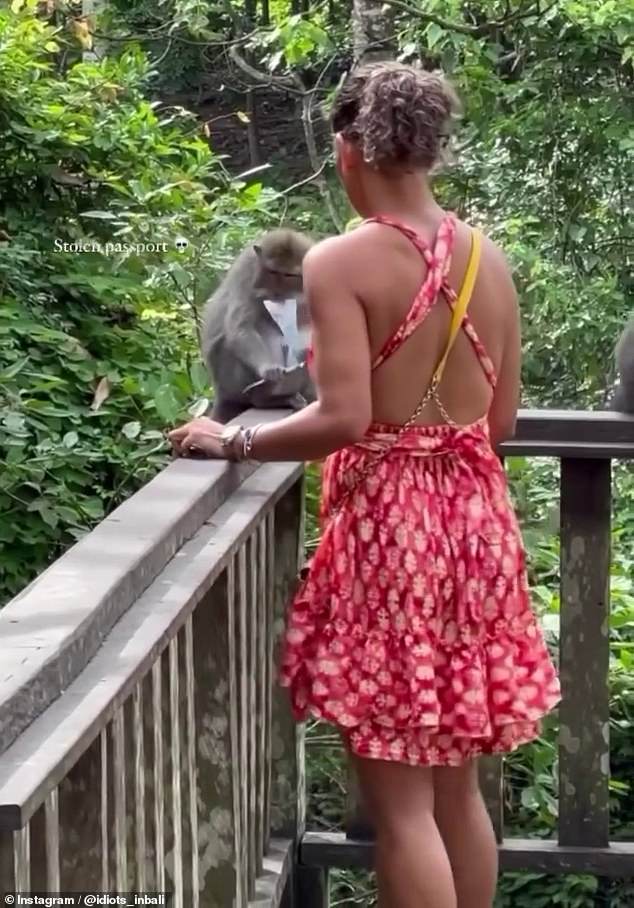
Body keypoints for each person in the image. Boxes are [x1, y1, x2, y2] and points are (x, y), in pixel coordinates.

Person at [168, 62, 561, 908]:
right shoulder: (488, 260)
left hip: (393, 536)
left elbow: (343, 418)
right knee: (455, 785)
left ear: (350, 150)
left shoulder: (342, 262)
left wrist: (233, 437)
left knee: (401, 801)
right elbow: (497, 424)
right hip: (476, 531)